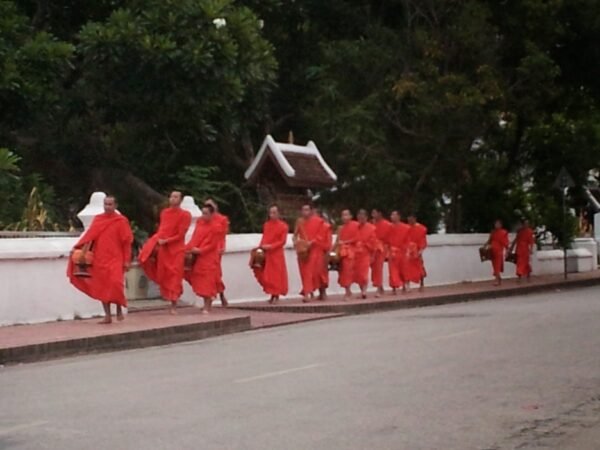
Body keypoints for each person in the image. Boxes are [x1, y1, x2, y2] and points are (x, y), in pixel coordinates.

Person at [67, 195, 133, 324]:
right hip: (99, 258)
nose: (107, 207)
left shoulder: (121, 221)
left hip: (116, 258)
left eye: (110, 204)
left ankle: (119, 308)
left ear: (115, 206)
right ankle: (107, 315)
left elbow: (126, 242)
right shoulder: (98, 219)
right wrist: (76, 248)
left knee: (115, 284)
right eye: (105, 204)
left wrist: (126, 260)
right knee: (102, 286)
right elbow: (89, 237)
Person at [139, 191, 191, 315]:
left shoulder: (185, 215)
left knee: (175, 276)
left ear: (181, 200)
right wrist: (154, 242)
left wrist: (167, 240)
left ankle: (174, 304)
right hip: (164, 249)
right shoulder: (165, 213)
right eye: (171, 197)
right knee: (164, 274)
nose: (172, 199)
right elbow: (162, 230)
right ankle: (169, 299)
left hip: (176, 250)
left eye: (176, 197)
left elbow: (181, 234)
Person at [185, 203, 220, 313]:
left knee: (207, 282)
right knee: (199, 280)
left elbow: (212, 244)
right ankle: (206, 303)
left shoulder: (216, 227)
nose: (203, 216)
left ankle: (207, 305)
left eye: (206, 214)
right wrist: (188, 248)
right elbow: (195, 237)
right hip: (198, 257)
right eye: (202, 213)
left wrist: (200, 250)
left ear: (211, 214)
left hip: (209, 258)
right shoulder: (200, 224)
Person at [252, 205, 289, 303]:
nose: (272, 215)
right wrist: (261, 247)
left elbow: (282, 241)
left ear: (279, 214)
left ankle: (276, 294)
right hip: (267, 253)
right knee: (266, 274)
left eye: (274, 213)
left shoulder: (283, 226)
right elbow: (264, 237)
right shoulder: (267, 225)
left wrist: (271, 246)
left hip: (276, 254)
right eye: (270, 213)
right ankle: (272, 293)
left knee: (276, 275)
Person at [293, 203, 326, 302]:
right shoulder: (299, 222)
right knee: (305, 273)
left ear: (311, 211)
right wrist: (296, 242)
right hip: (303, 251)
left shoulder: (319, 221)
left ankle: (320, 291)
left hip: (315, 249)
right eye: (303, 210)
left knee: (315, 273)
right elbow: (295, 234)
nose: (305, 212)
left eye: (307, 210)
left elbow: (321, 235)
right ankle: (307, 294)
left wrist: (312, 242)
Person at [205, 198, 230, 307]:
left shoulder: (222, 219)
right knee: (209, 274)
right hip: (206, 249)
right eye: (207, 205)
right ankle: (211, 298)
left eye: (211, 205)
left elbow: (223, 235)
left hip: (216, 249)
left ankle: (220, 295)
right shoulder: (205, 219)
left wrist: (222, 247)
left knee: (215, 273)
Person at [336, 209, 359, 300]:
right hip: (342, 252)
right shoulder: (340, 228)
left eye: (346, 215)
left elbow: (357, 238)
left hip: (352, 251)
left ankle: (349, 291)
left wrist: (345, 242)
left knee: (349, 271)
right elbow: (337, 241)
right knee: (343, 271)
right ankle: (347, 290)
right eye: (343, 215)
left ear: (351, 216)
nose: (344, 217)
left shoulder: (356, 225)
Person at [354, 209, 377, 299]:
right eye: (359, 217)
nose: (361, 219)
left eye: (363, 217)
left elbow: (373, 242)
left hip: (365, 253)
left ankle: (364, 291)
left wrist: (372, 255)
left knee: (364, 273)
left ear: (366, 218)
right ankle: (361, 290)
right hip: (356, 254)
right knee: (358, 274)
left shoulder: (371, 228)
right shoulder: (355, 227)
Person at [387, 210, 410, 295]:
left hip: (401, 252)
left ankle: (404, 285)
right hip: (392, 252)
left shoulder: (406, 228)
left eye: (394, 215)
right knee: (392, 270)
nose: (392, 216)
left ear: (399, 217)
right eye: (391, 215)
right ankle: (394, 288)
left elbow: (407, 241)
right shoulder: (388, 227)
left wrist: (407, 251)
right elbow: (386, 240)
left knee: (403, 270)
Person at [371, 208, 392, 297]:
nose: (373, 215)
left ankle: (379, 288)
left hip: (382, 248)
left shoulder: (387, 224)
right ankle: (380, 286)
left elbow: (390, 238)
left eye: (374, 213)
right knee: (374, 268)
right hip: (372, 248)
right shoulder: (371, 224)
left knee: (378, 267)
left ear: (380, 213)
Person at [405, 213, 428, 292]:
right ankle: (407, 285)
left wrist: (420, 251)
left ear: (415, 218)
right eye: (408, 219)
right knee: (406, 268)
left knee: (420, 267)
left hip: (417, 250)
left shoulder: (422, 229)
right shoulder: (406, 228)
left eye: (411, 218)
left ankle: (421, 284)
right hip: (408, 251)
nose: (409, 220)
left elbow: (423, 241)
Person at [316, 209, 333, 300]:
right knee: (316, 274)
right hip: (314, 253)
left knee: (322, 273)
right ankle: (319, 292)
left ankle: (323, 292)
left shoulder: (326, 227)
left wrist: (327, 252)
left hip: (323, 252)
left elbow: (329, 241)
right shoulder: (314, 227)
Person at [488, 219, 509, 286]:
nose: (496, 225)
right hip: (492, 250)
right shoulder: (493, 232)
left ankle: (497, 280)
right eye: (495, 224)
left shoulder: (504, 232)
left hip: (499, 251)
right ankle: (498, 278)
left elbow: (506, 243)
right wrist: (486, 246)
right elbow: (489, 241)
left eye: (498, 224)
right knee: (494, 266)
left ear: (501, 225)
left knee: (497, 266)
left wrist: (507, 251)